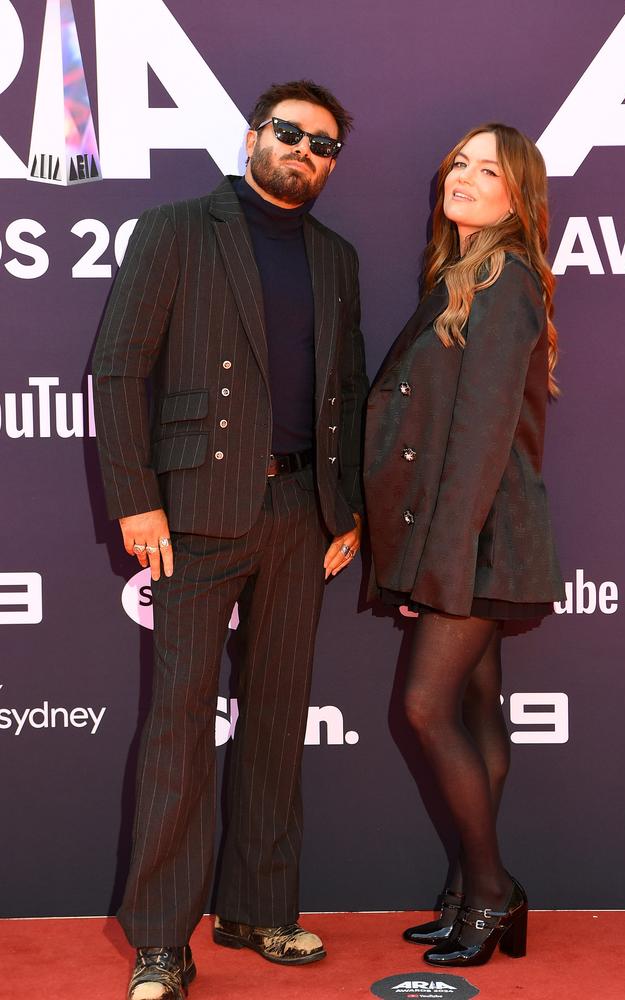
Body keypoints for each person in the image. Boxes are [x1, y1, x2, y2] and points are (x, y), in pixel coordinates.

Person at [92, 79, 368, 1000]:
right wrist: (136, 497)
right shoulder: (176, 228)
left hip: (301, 515)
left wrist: (348, 503)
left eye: (324, 146)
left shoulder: (335, 257)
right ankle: (163, 940)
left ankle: (257, 908)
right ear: (255, 135)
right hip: (194, 513)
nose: (305, 152)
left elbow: (349, 393)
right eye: (291, 134)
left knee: (277, 722)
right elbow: (120, 365)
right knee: (179, 726)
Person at [364, 123, 564, 967]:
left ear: (519, 199)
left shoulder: (506, 280)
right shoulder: (462, 273)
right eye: (459, 164)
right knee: (477, 705)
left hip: (482, 536)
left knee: (424, 707)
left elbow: (481, 439)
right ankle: (472, 892)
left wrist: (437, 567)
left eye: (490, 171)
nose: (467, 178)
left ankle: (491, 892)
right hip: (474, 534)